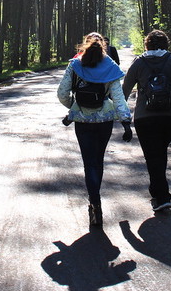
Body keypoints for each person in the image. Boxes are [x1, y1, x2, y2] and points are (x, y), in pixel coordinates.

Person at [57, 33, 133, 227]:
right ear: (104, 47)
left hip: (82, 121)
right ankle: (95, 199)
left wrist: (73, 107)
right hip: (104, 120)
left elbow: (62, 93)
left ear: (85, 45)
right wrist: (125, 121)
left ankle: (94, 201)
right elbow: (118, 97)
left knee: (88, 161)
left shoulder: (75, 65)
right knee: (98, 160)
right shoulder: (110, 67)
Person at [122, 29, 171, 213]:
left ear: (147, 44)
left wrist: (122, 115)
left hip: (146, 117)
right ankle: (160, 195)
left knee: (153, 155)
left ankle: (161, 197)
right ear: (166, 44)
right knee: (159, 151)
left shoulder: (138, 62)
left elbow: (125, 90)